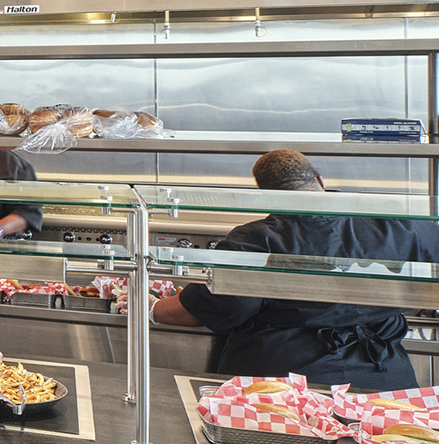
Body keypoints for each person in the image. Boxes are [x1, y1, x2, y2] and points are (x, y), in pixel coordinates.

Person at [153, 149, 439, 390]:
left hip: (285, 385)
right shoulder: (402, 224)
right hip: (385, 380)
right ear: (319, 179)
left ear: (265, 195)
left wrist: (152, 307)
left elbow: (216, 308)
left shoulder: (257, 239)